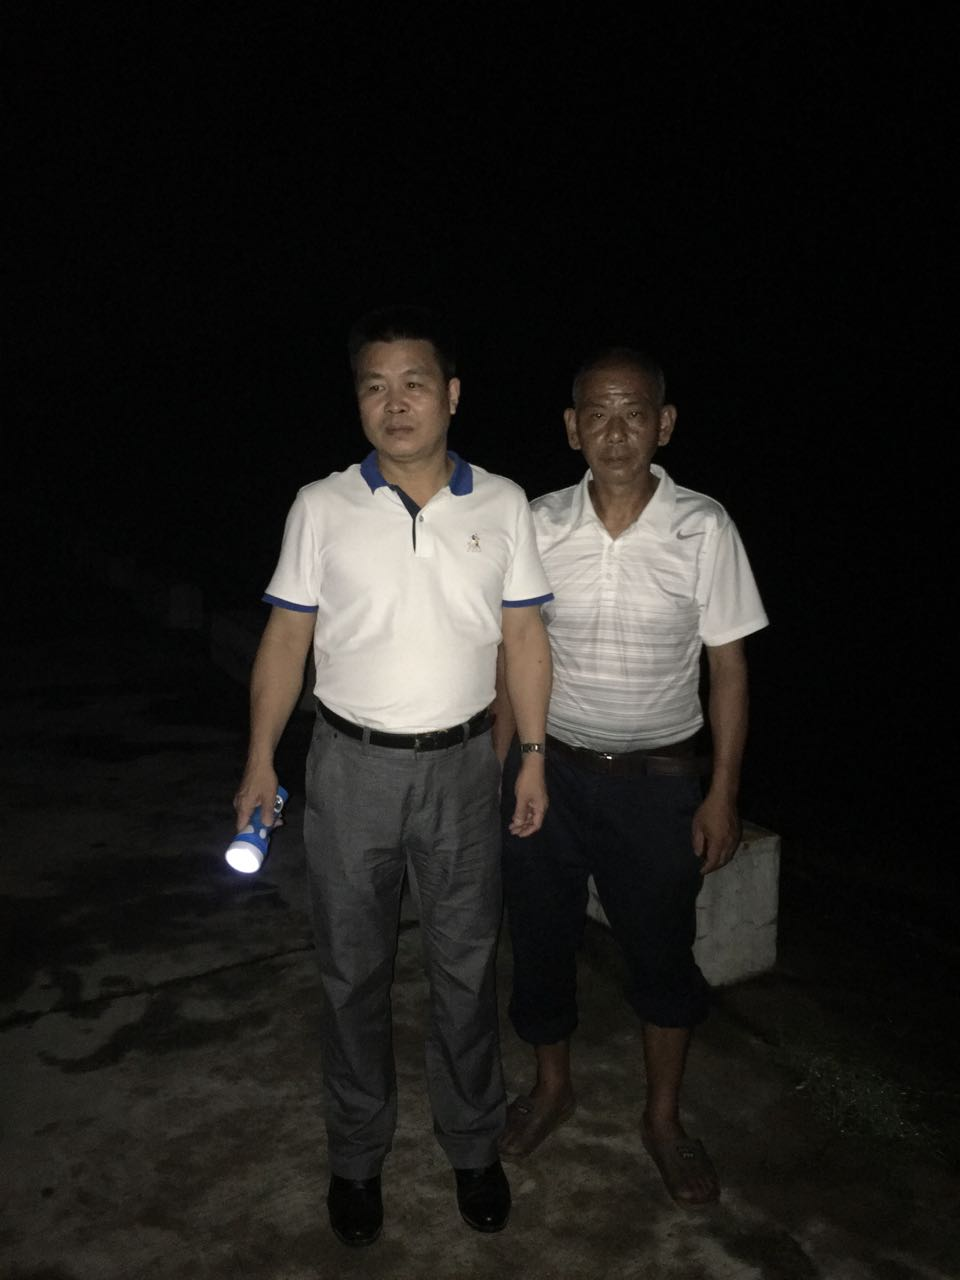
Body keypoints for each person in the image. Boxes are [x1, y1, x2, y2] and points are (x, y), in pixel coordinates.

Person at [233, 306, 553, 1246]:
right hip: (349, 768)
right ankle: (356, 1157)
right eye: (374, 386)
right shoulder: (320, 505)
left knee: (466, 969)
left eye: (414, 382)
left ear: (450, 394)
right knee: (351, 975)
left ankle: (473, 1147)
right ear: (358, 401)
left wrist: (531, 756)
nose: (395, 401)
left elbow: (524, 638)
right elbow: (286, 637)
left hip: (463, 768)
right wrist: (259, 759)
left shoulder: (503, 503)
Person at [494, 347, 768, 1206]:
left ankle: (663, 1119)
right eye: (597, 415)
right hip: (551, 772)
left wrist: (722, 793)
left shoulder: (704, 527)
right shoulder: (536, 523)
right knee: (540, 938)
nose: (616, 433)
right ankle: (551, 1087)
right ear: (571, 428)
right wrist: (505, 768)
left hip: (658, 784)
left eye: (634, 413)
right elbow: (513, 655)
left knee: (662, 955)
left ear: (665, 424)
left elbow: (729, 670)